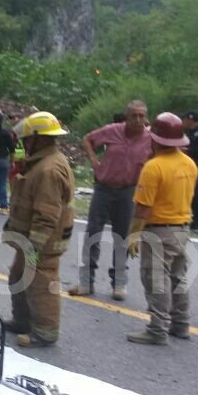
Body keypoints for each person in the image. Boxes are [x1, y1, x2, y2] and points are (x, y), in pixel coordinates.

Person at [3, 112, 75, 348]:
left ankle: (46, 332)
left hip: (42, 241)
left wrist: (34, 246)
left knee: (41, 281)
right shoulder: (42, 164)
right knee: (18, 275)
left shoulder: (48, 170)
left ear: (38, 139)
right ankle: (22, 320)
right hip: (31, 239)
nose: (23, 144)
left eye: (26, 140)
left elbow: (46, 215)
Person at [125, 113, 198, 345]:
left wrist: (133, 235)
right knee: (178, 277)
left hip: (158, 231)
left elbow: (143, 209)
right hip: (182, 229)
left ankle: (157, 329)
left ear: (155, 139)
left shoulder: (154, 167)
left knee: (156, 279)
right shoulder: (189, 163)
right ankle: (181, 323)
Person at [68, 100, 152, 301]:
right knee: (92, 233)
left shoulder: (150, 138)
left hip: (129, 191)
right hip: (104, 189)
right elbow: (88, 139)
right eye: (134, 116)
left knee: (122, 237)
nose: (138, 120)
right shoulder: (112, 131)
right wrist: (95, 162)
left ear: (146, 117)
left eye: (142, 116)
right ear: (127, 116)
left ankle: (119, 284)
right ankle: (86, 282)